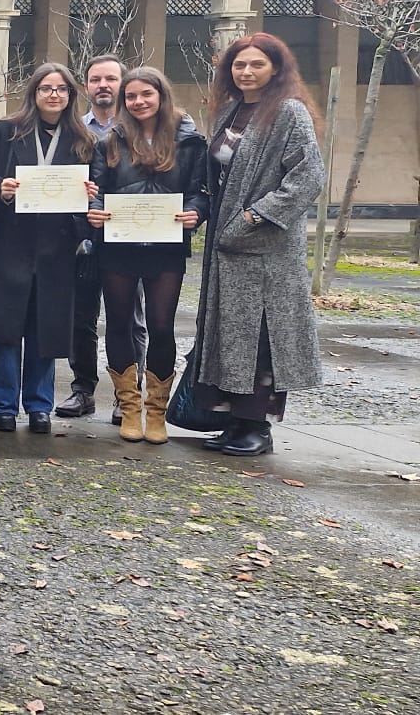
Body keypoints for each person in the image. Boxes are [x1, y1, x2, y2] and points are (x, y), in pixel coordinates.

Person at [191, 33, 326, 457]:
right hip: (227, 249)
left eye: (256, 65)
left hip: (266, 248)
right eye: (238, 65)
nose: (246, 72)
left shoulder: (288, 112)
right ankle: (235, 422)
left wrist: (254, 216)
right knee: (231, 335)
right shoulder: (230, 112)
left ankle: (257, 428)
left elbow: (306, 178)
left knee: (262, 337)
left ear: (276, 69)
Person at [0, 64, 97, 434]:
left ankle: (39, 407)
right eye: (46, 88)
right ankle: (4, 406)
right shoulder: (7, 131)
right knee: (6, 329)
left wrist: (88, 198)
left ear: (70, 96)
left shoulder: (82, 138)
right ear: (33, 93)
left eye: (62, 89)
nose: (54, 95)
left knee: (45, 330)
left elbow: (95, 185)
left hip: (57, 248)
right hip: (9, 244)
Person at [83, 67, 208, 444]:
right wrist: (95, 209)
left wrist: (195, 213)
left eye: (146, 95)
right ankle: (130, 407)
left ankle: (157, 411)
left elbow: (199, 191)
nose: (138, 102)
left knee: (161, 325)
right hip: (118, 245)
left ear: (161, 95)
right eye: (132, 97)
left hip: (166, 247)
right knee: (118, 323)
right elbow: (96, 188)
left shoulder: (190, 141)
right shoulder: (110, 141)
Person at [62, 54, 145, 420]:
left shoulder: (143, 129)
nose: (103, 85)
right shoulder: (74, 130)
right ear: (86, 87)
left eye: (111, 79)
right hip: (83, 235)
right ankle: (82, 390)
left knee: (129, 319)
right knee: (81, 316)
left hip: (130, 236)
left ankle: (127, 394)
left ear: (123, 84)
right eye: (96, 80)